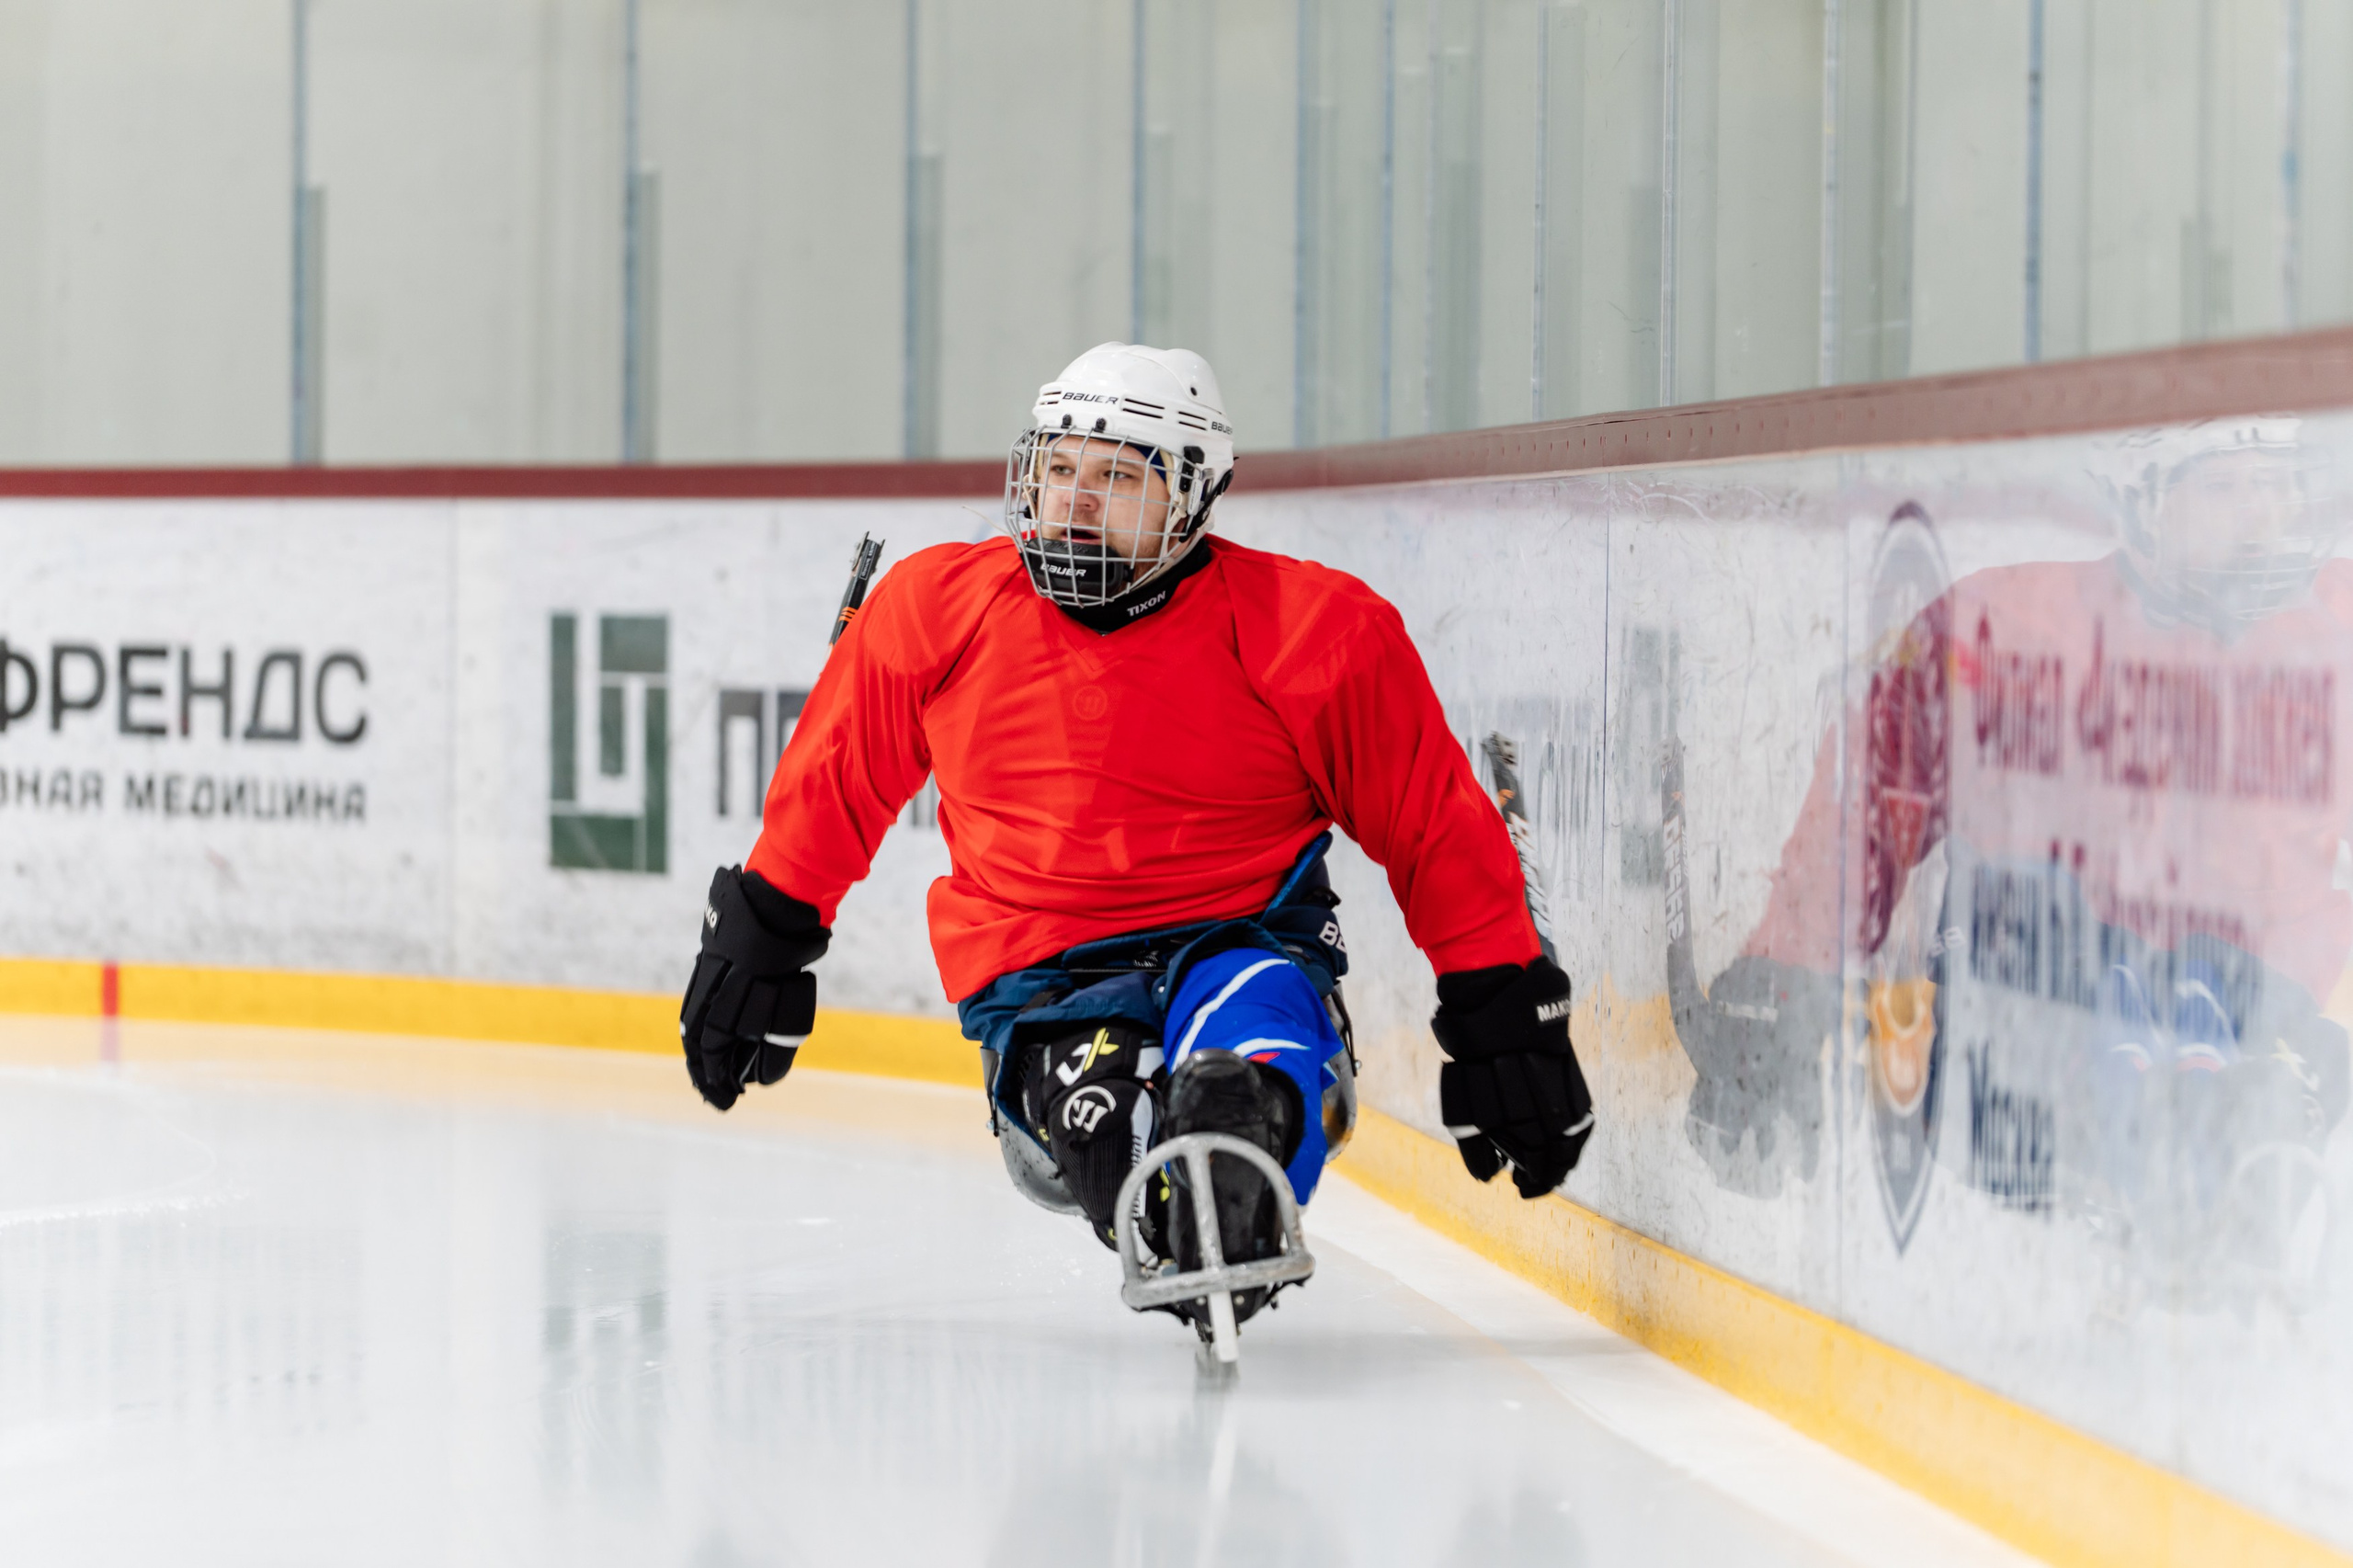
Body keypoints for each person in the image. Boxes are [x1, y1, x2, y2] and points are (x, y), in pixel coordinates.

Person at [676, 342, 1593, 1332]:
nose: (1073, 502)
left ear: (1193, 497)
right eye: (1059, 468)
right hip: (1043, 977)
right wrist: (762, 932)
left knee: (1260, 1043)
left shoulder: (1313, 630)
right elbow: (835, 779)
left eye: (1116, 477)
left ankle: (1243, 1146)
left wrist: (1499, 1002)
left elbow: (1433, 825)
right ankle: (1174, 1192)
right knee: (1099, 1114)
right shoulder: (935, 609)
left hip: (1243, 936)